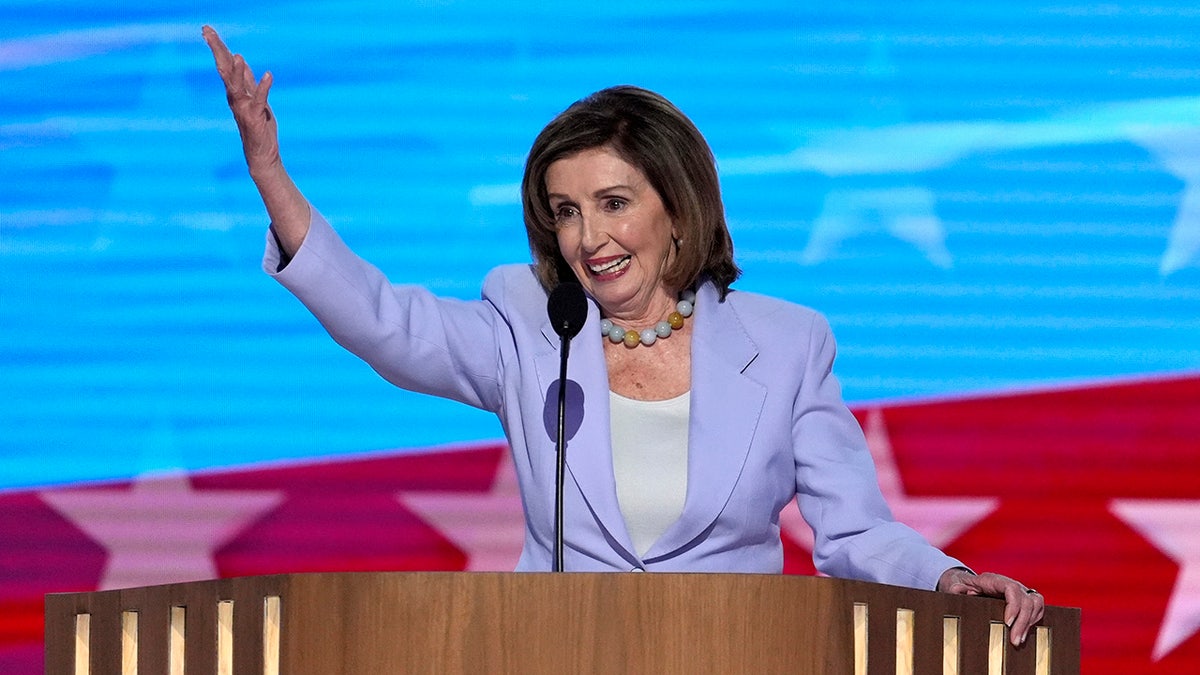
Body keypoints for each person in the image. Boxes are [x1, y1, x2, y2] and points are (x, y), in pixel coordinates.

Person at [202, 26, 1045, 645]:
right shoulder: (531, 327)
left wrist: (947, 577)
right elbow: (386, 322)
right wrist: (272, 176)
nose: (588, 237)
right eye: (565, 212)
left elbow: (854, 532)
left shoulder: (788, 344)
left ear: (676, 209)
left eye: (613, 203)